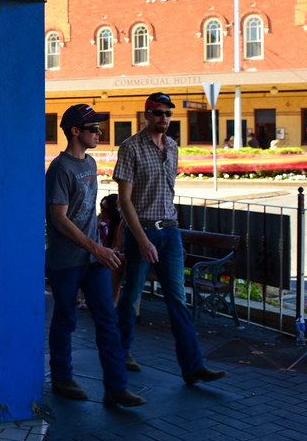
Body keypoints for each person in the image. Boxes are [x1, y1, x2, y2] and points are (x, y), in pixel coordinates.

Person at [113, 92, 227, 385]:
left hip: (171, 231)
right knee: (131, 293)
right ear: (147, 114)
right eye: (158, 112)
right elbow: (124, 201)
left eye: (168, 113)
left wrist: (166, 232)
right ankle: (120, 352)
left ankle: (193, 366)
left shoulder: (173, 146)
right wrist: (141, 239)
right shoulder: (131, 147)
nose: (163, 118)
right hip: (143, 230)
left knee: (178, 299)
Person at [45, 104, 145, 407]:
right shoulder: (60, 169)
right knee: (66, 319)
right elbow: (59, 218)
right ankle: (62, 378)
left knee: (107, 319)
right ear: (76, 131)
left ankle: (116, 387)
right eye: (93, 128)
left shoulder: (89, 163)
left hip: (92, 259)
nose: (99, 132)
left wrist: (100, 248)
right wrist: (96, 248)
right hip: (66, 261)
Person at [98, 193, 125, 305]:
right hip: (111, 252)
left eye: (106, 210)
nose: (102, 212)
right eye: (101, 208)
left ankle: (111, 303)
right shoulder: (102, 222)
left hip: (125, 256)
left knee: (112, 263)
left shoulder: (120, 225)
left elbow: (117, 248)